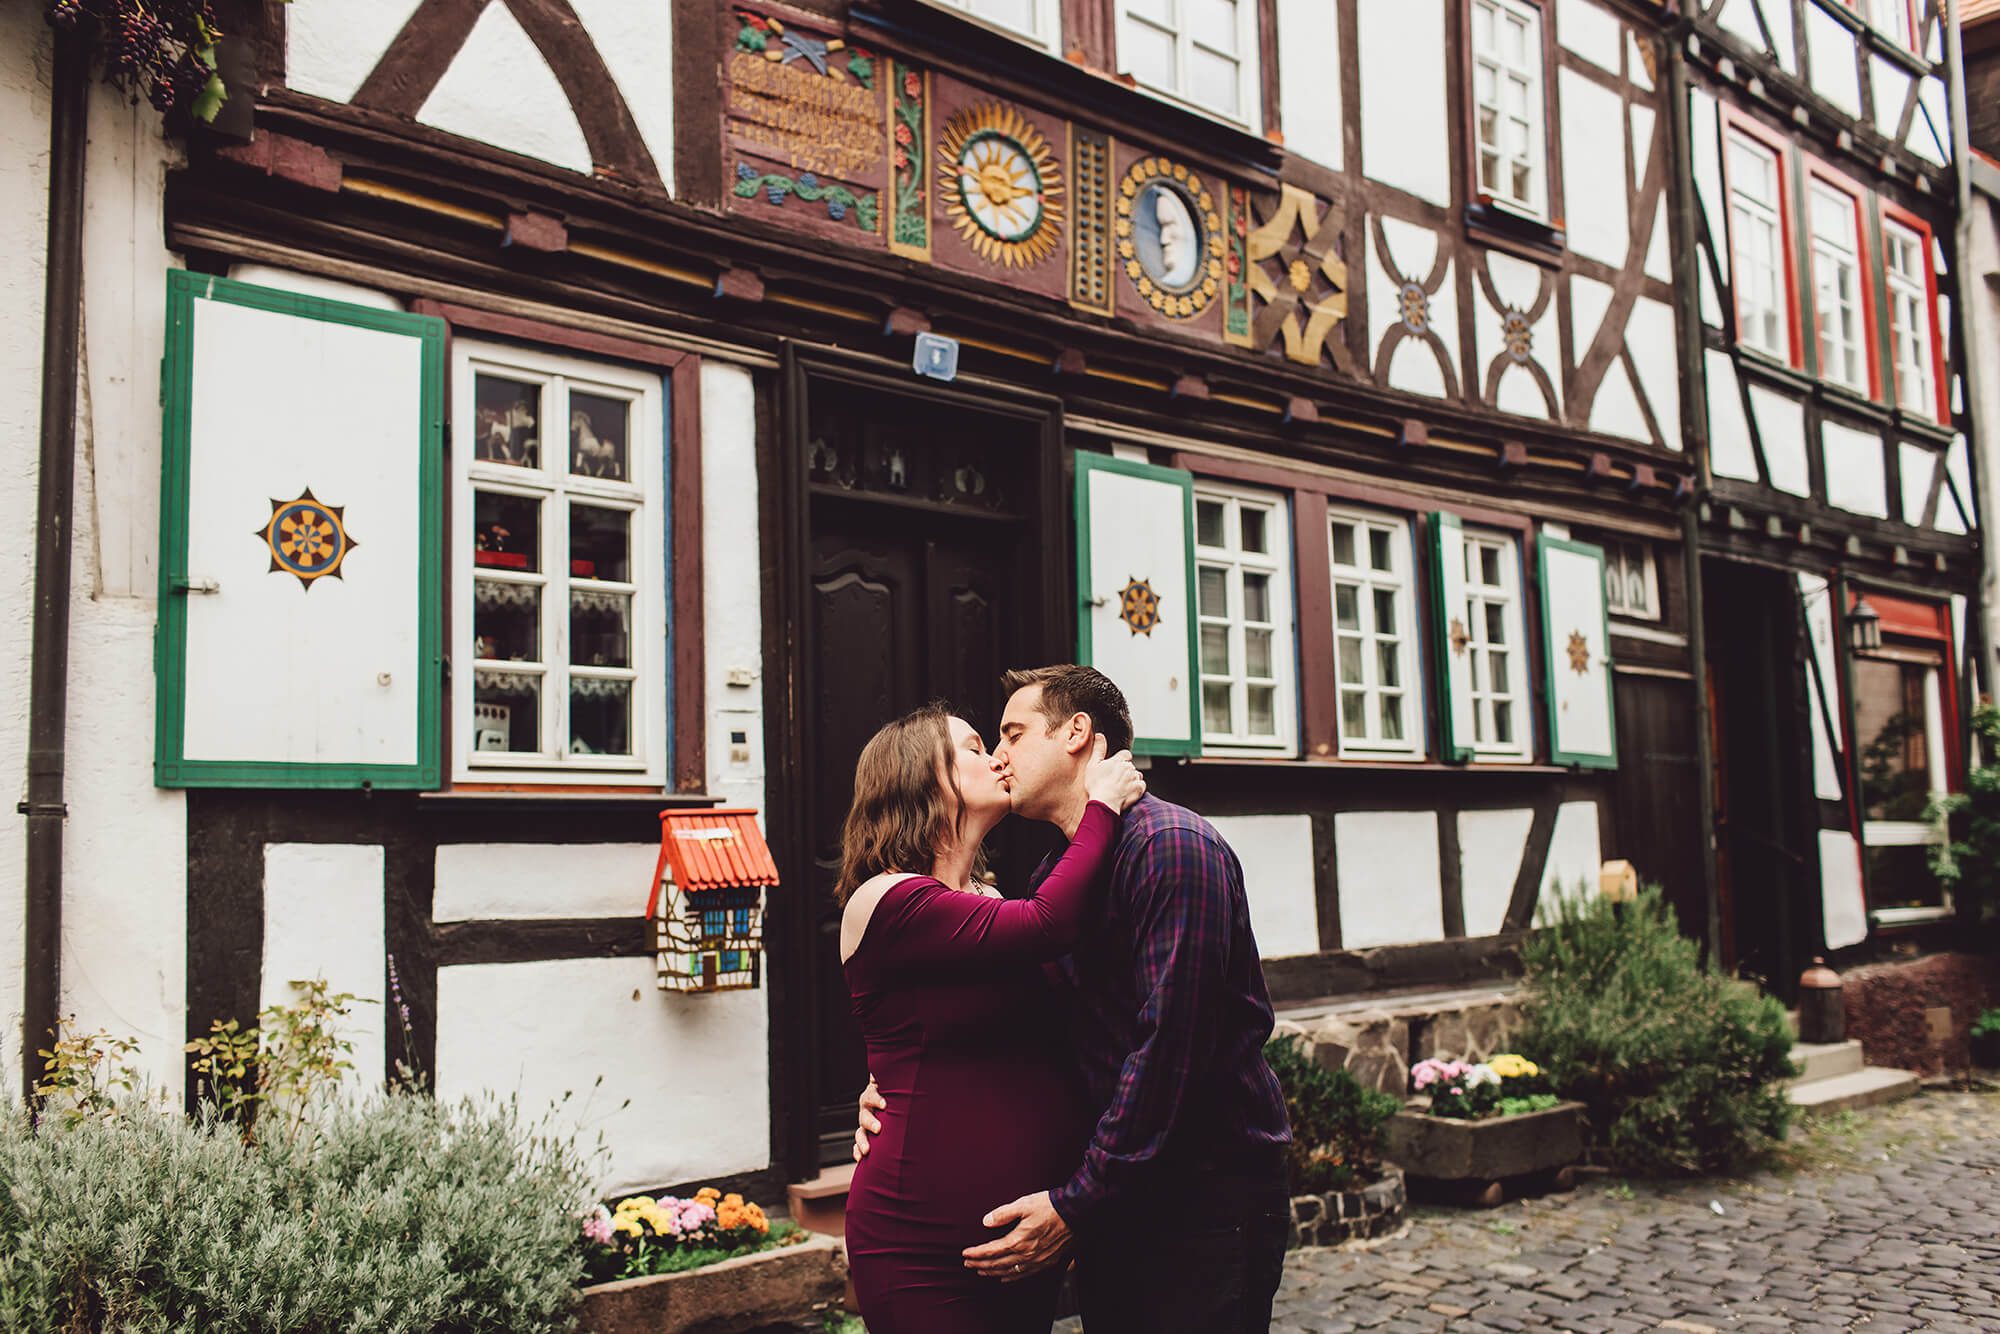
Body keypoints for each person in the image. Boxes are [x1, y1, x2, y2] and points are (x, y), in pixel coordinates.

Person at [857, 665, 1294, 1333]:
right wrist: (892, 1076)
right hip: (1111, 1205)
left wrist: (1078, 1200)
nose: (1000, 756)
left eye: (1010, 734)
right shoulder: (1054, 878)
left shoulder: (1169, 847)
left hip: (1197, 1198)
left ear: (1077, 734)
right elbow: (1037, 1028)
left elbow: (1169, 1046)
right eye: (982, 745)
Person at [838, 702, 1148, 1334]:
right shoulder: (888, 896)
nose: (998, 758)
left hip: (1022, 1238)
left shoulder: (988, 898)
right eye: (977, 747)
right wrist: (1102, 804)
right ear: (924, 777)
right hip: (918, 1242)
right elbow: (1049, 924)